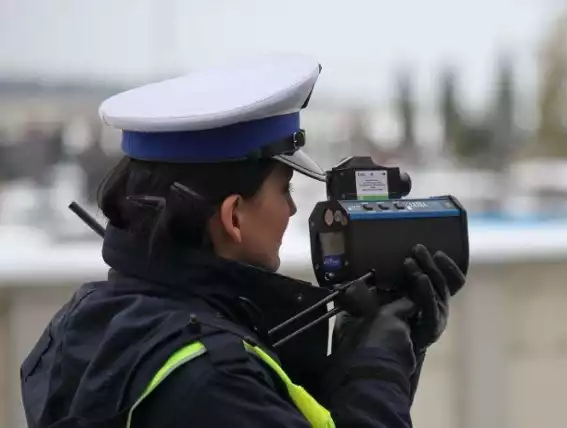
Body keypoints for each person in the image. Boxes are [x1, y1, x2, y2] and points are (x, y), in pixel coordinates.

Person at [19, 53, 466, 428]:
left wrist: (375, 352)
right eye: (284, 190)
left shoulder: (93, 320)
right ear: (233, 217)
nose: (292, 211)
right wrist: (377, 369)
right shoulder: (212, 378)